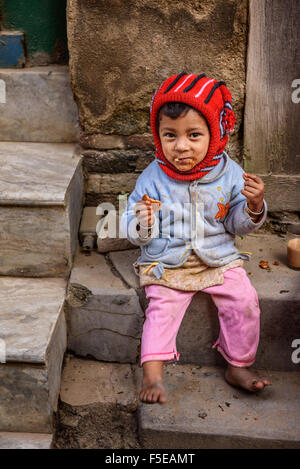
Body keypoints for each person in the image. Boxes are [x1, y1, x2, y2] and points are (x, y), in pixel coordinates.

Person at [120, 73, 271, 404]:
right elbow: (130, 225)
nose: (181, 146)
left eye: (194, 135)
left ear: (216, 135)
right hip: (167, 262)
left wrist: (254, 205)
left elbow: (237, 224)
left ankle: (238, 365)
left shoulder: (230, 175)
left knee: (244, 300)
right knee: (161, 308)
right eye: (170, 135)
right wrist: (141, 223)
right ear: (158, 138)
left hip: (218, 258)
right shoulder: (153, 177)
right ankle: (153, 375)